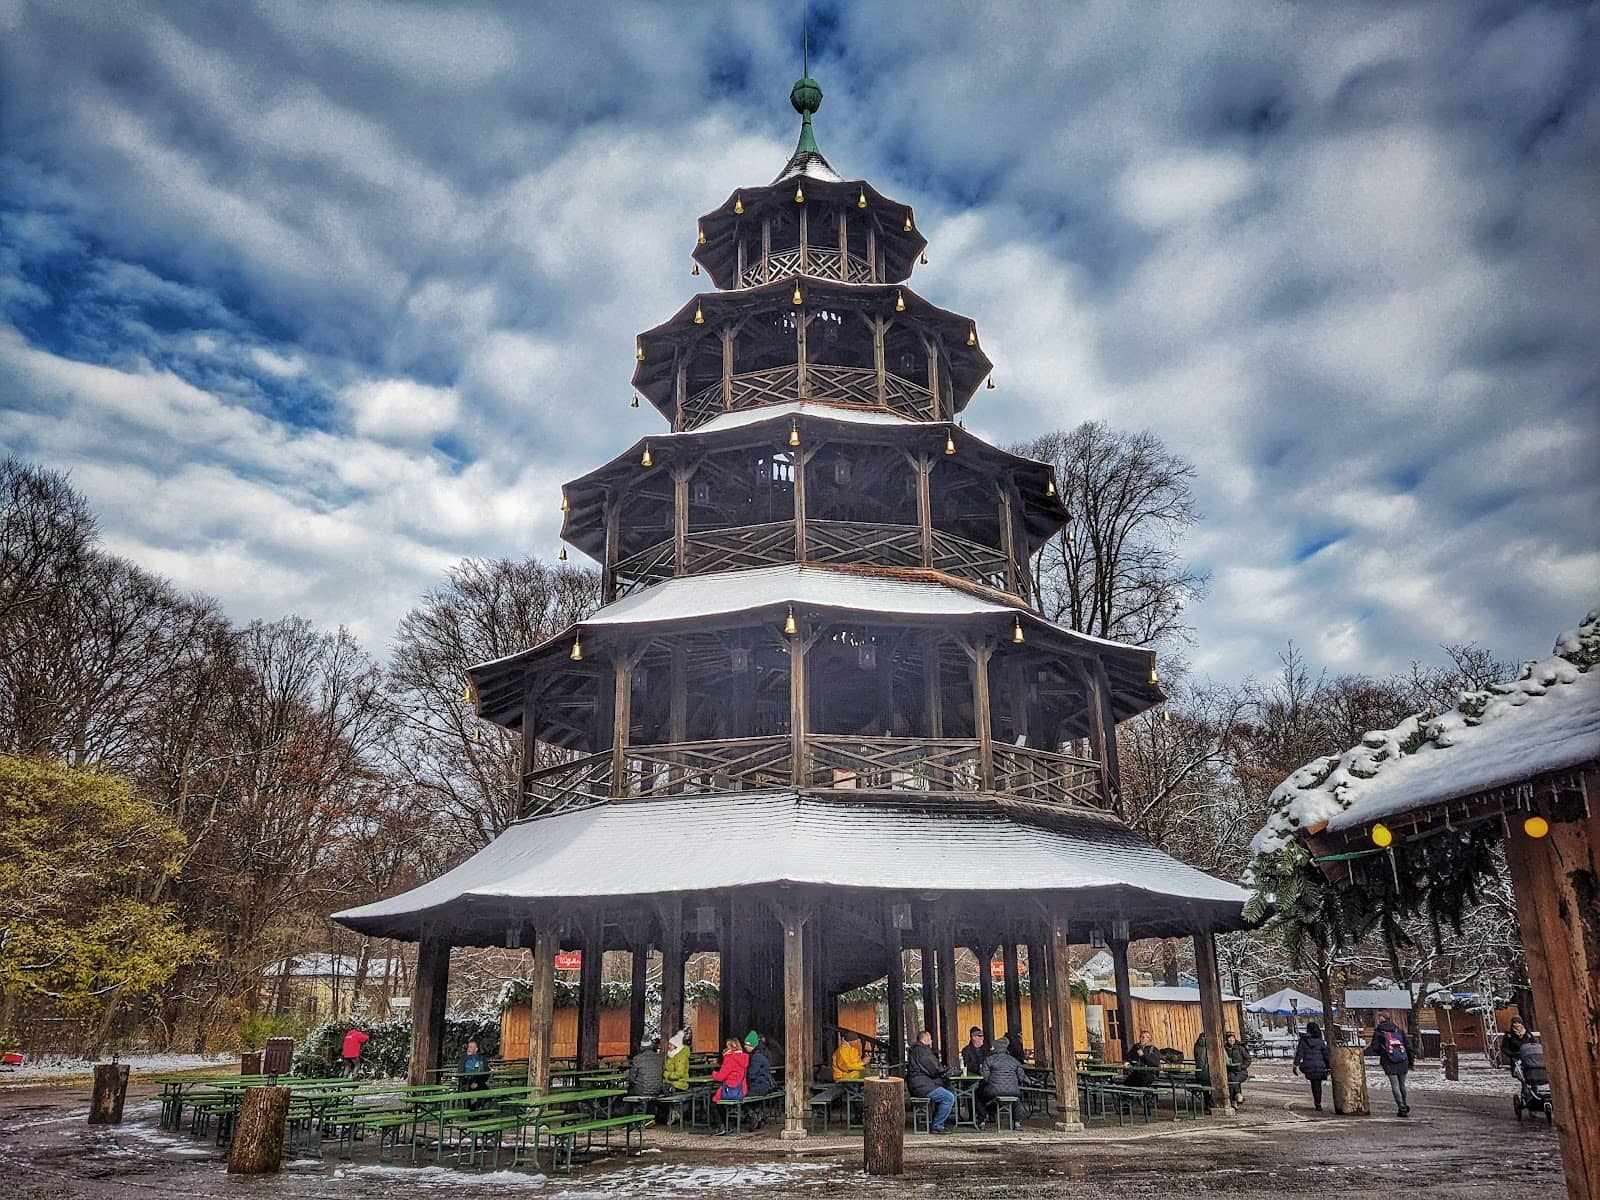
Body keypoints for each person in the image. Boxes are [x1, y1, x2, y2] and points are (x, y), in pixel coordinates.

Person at [906, 1030, 957, 1133]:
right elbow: (934, 1069)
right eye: (930, 1039)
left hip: (918, 1084)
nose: (932, 1041)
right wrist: (945, 1071)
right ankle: (937, 1125)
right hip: (922, 1086)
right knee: (948, 1097)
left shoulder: (916, 1050)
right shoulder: (923, 1051)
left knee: (944, 1093)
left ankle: (937, 1122)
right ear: (925, 1039)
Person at [1365, 1013, 1415, 1116]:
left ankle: (1401, 1106)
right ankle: (1404, 1104)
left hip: (1389, 1061)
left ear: (1381, 1019)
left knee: (1395, 1085)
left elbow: (1375, 1048)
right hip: (1403, 1060)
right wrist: (1411, 1062)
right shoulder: (1398, 1030)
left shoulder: (1379, 1032)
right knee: (1402, 1084)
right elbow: (1408, 1046)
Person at [978, 1035, 1029, 1128]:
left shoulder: (989, 1060)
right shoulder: (1014, 1061)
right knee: (1016, 1100)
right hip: (1013, 1091)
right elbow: (1021, 1078)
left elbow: (984, 1077)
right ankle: (1017, 1122)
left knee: (979, 1097)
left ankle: (982, 1121)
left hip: (993, 1091)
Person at [710, 1037, 749, 1134]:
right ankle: (729, 1125)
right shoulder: (743, 1058)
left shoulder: (730, 1059)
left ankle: (721, 1126)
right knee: (720, 1103)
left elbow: (720, 1077)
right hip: (741, 1089)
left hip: (730, 1089)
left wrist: (713, 1074)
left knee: (713, 1102)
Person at [1292, 1021, 1332, 1112]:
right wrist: (1329, 1066)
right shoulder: (1320, 1041)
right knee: (1317, 1084)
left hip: (1309, 1066)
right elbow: (1325, 1054)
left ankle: (1317, 1102)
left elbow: (1300, 1053)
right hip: (1320, 1066)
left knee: (1315, 1084)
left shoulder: (1303, 1040)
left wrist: (1295, 1064)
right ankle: (1318, 1102)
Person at [743, 1031, 775, 1129]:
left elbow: (752, 1074)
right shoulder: (763, 1054)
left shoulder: (756, 1057)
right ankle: (758, 1113)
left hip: (759, 1086)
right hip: (765, 1085)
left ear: (752, 1045)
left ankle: (752, 1114)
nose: (745, 1047)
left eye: (747, 1045)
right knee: (754, 1098)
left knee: (740, 1096)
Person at [1223, 1031, 1251, 1105]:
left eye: (1232, 1038)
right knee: (1231, 1079)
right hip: (1230, 1071)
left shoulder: (1240, 1048)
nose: (1231, 1039)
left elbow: (1248, 1059)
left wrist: (1242, 1067)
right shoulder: (1224, 1049)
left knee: (1234, 1080)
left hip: (1241, 1072)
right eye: (1229, 1038)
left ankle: (1233, 1099)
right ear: (1227, 1040)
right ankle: (1237, 1096)